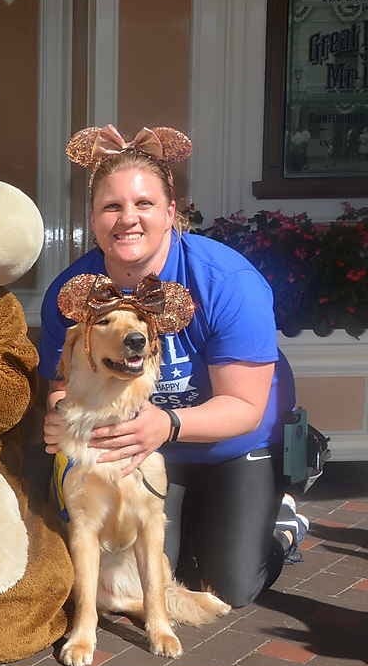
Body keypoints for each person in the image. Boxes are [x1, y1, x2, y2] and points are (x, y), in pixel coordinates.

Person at [39, 124, 303, 609]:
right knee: (150, 582)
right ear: (93, 218)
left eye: (144, 204)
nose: (128, 219)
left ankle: (279, 520)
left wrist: (167, 423)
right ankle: (200, 519)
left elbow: (244, 406)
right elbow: (62, 382)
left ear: (170, 212)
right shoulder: (73, 292)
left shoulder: (227, 281)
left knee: (230, 586)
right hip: (143, 445)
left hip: (232, 441)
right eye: (112, 206)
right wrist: (60, 415)